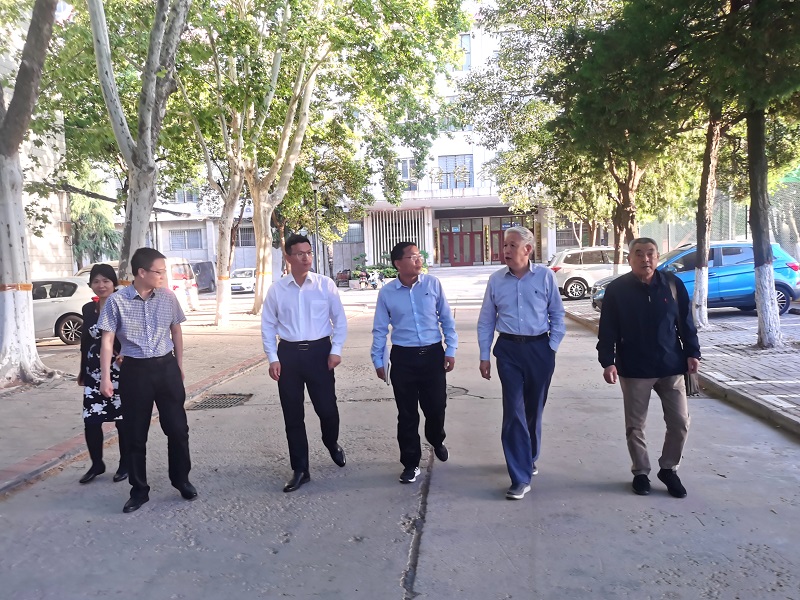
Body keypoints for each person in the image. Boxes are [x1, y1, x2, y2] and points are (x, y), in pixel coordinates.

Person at [597, 237, 701, 498]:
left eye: (651, 253)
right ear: (630, 258)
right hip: (634, 368)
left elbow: (685, 322)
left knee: (680, 422)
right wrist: (607, 361)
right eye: (639, 253)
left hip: (670, 365)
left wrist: (692, 352)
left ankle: (669, 469)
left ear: (657, 256)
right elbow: (607, 328)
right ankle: (641, 472)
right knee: (635, 425)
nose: (645, 258)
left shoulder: (672, 284)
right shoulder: (617, 290)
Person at [98, 247, 195, 513]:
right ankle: (139, 490)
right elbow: (107, 341)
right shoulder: (117, 301)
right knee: (135, 434)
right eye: (159, 271)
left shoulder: (168, 297)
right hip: (135, 371)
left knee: (177, 429)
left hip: (166, 368)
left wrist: (179, 366)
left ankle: (181, 479)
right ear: (141, 272)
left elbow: (176, 331)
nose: (164, 276)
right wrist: (105, 377)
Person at [477, 226, 565, 500]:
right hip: (508, 351)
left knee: (533, 409)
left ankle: (529, 455)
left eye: (512, 245)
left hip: (539, 349)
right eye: (505, 245)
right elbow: (486, 320)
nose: (506, 250)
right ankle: (520, 476)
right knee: (513, 411)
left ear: (527, 249)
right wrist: (484, 355)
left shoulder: (545, 277)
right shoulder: (496, 280)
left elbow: (557, 314)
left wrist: (551, 347)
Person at [262, 234, 348, 493]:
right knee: (293, 415)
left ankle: (331, 442)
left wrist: (336, 350)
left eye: (308, 252)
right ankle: (301, 469)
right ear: (288, 257)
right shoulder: (277, 290)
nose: (306, 258)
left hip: (320, 353)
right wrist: (273, 358)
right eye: (299, 253)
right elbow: (268, 326)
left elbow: (339, 320)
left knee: (327, 409)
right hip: (288, 355)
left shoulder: (325, 285)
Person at [371, 242, 457, 484]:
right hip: (403, 358)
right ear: (398, 263)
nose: (419, 260)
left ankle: (436, 439)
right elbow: (379, 329)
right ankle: (410, 463)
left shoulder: (432, 284)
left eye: (419, 256)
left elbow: (447, 319)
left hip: (432, 355)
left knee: (436, 407)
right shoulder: (387, 293)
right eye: (412, 257)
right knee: (407, 414)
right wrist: (378, 359)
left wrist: (450, 349)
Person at [77, 263, 128, 484]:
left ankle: (125, 464)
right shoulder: (89, 309)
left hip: (119, 370)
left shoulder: (124, 305)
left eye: (106, 281)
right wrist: (82, 371)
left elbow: (132, 335)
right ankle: (96, 464)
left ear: (113, 283)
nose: (101, 285)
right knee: (91, 420)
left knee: (122, 420)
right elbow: (85, 342)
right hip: (94, 371)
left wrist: (126, 354)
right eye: (96, 281)